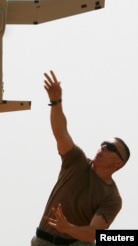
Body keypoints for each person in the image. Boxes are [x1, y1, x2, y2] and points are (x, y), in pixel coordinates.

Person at [31, 70, 130, 246]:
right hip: (43, 241)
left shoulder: (112, 198)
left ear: (118, 163)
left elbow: (94, 233)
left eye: (111, 148)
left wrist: (67, 228)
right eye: (103, 144)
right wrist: (56, 102)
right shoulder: (76, 160)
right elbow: (61, 133)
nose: (103, 148)